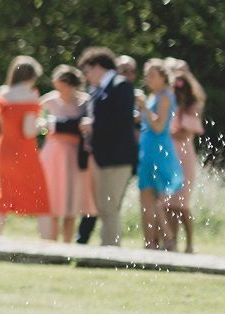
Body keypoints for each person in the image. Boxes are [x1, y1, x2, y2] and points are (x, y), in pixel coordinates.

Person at [78, 46, 139, 247]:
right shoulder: (98, 90)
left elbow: (122, 121)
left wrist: (93, 125)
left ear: (97, 67)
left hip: (118, 156)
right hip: (103, 157)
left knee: (109, 206)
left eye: (87, 71)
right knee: (104, 206)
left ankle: (111, 250)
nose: (86, 77)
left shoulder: (121, 85)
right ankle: (108, 247)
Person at [0, 55, 50, 235]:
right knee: (41, 196)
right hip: (24, 152)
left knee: (5, 194)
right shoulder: (30, 97)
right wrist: (42, 124)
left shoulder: (2, 93)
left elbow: (4, 123)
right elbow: (28, 131)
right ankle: (48, 242)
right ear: (31, 77)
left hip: (5, 150)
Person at [38, 65, 95, 243]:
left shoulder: (85, 101)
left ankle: (67, 244)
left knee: (72, 201)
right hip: (53, 154)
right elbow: (38, 122)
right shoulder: (48, 100)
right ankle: (51, 242)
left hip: (75, 155)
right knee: (54, 199)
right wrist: (45, 127)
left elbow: (88, 125)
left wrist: (59, 125)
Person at [136, 59, 184, 251]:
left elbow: (159, 126)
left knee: (157, 199)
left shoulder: (165, 96)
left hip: (158, 150)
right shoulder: (152, 95)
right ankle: (150, 243)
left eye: (152, 75)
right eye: (147, 75)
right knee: (145, 197)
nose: (148, 79)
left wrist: (144, 107)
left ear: (164, 77)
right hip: (146, 149)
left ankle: (169, 240)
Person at [168, 59, 206, 253]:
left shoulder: (192, 104)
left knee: (181, 204)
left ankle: (189, 243)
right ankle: (172, 241)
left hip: (183, 155)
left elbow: (186, 132)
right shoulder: (169, 101)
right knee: (168, 203)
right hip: (168, 154)